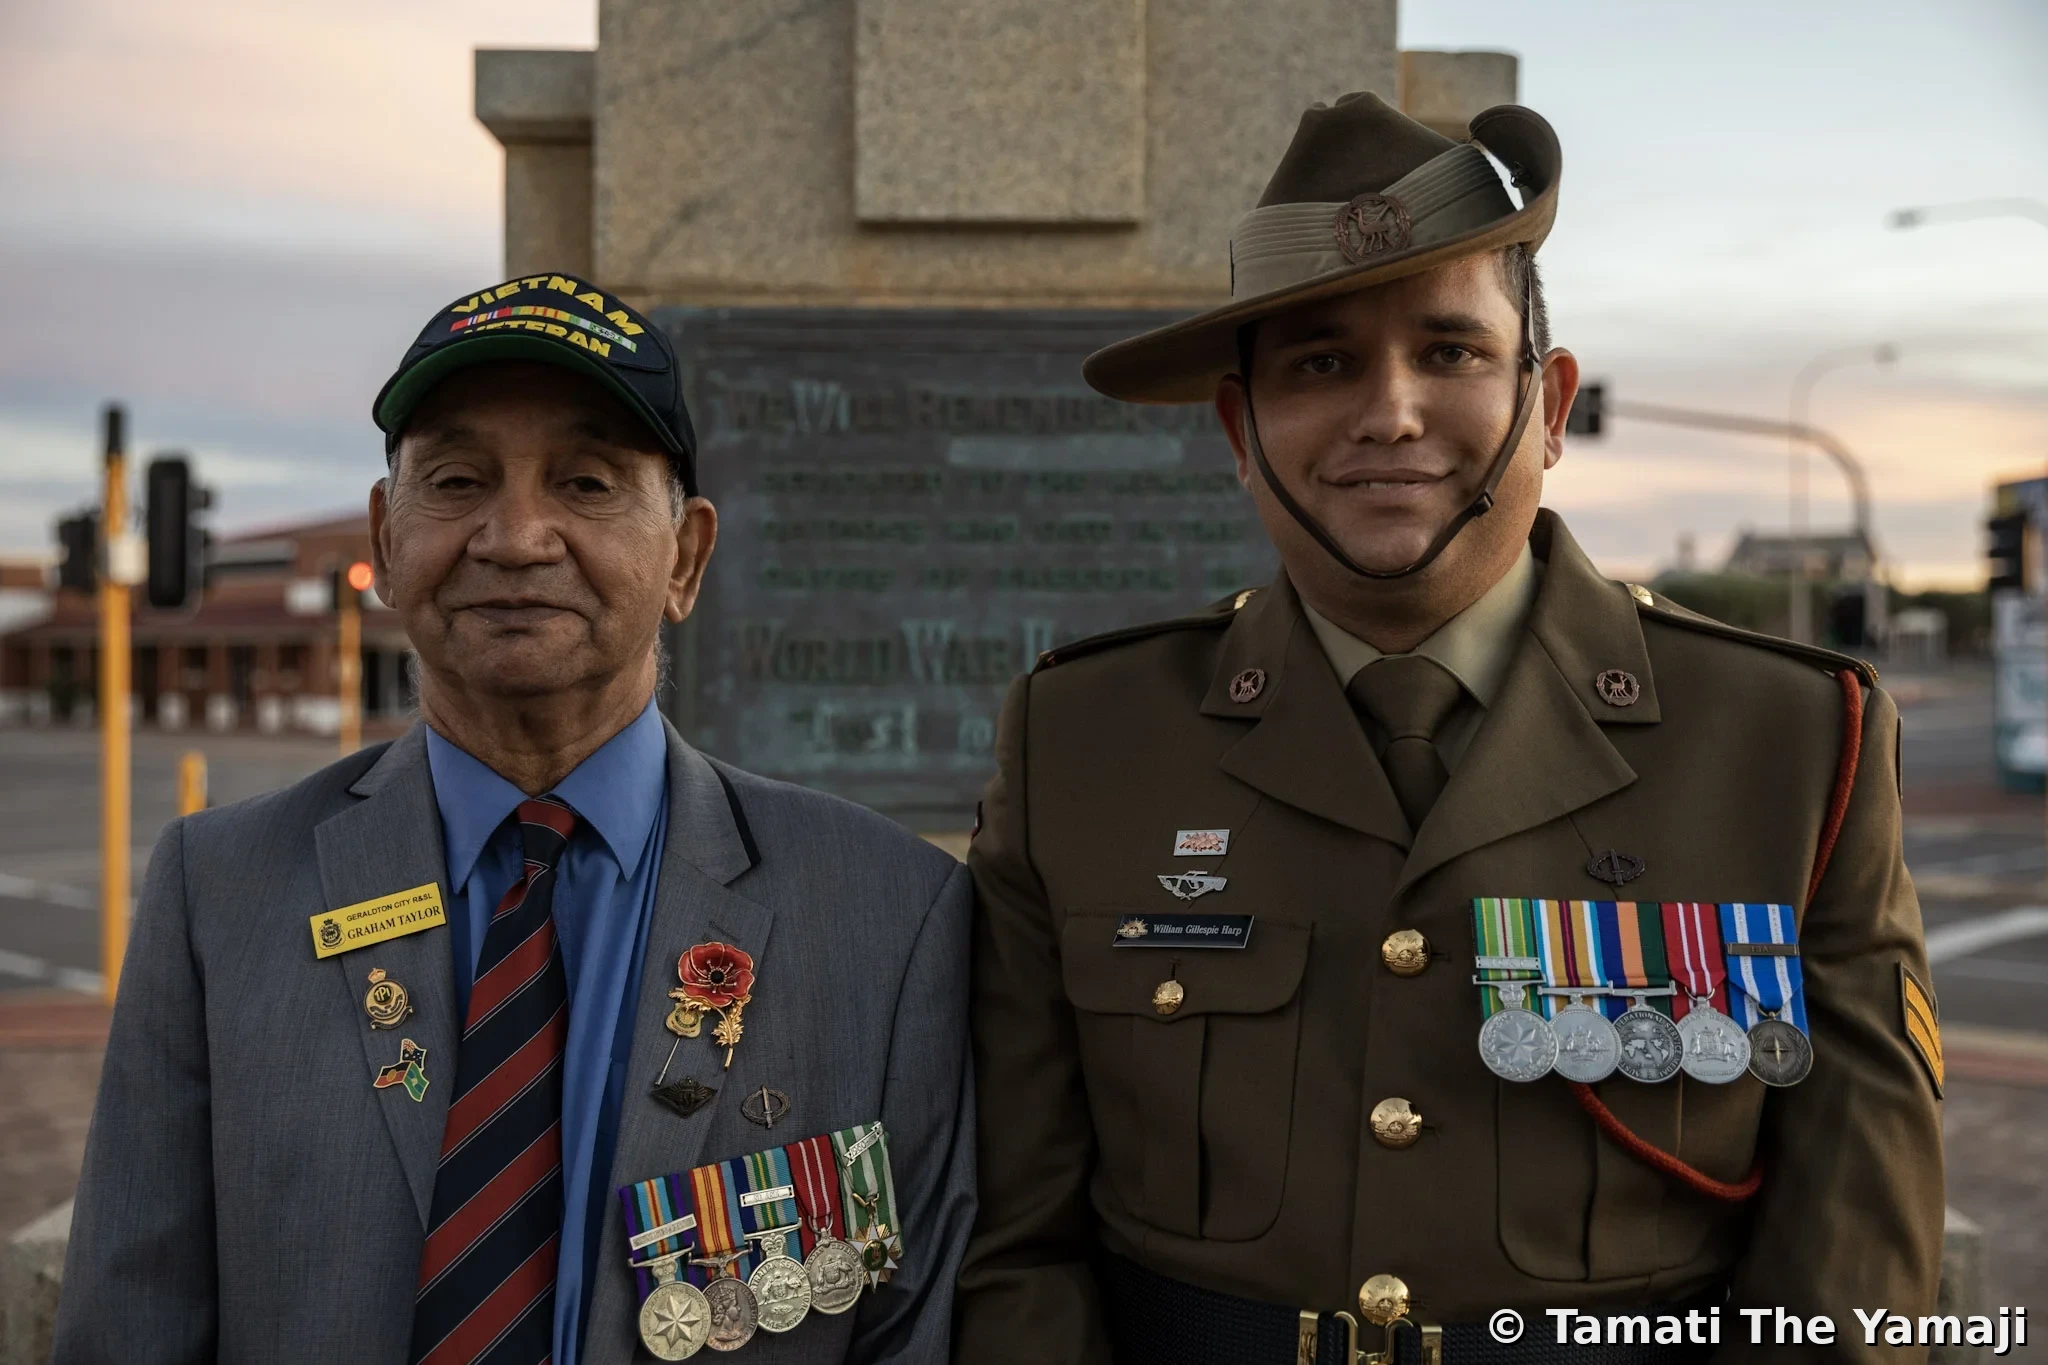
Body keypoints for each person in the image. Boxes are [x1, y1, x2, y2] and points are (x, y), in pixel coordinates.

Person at [957, 93, 1943, 1364]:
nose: (1390, 413)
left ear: (1548, 404)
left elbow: (1849, 1270)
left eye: (1450, 351)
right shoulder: (1082, 739)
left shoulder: (1789, 741)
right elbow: (1015, 1245)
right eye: (1319, 363)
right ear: (1236, 432)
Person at [55, 273, 974, 1365]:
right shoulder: (221, 892)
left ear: (685, 555)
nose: (517, 535)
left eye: (585, 482)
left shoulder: (888, 916)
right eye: (457, 479)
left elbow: (919, 1330)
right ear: (388, 539)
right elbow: (132, 1321)